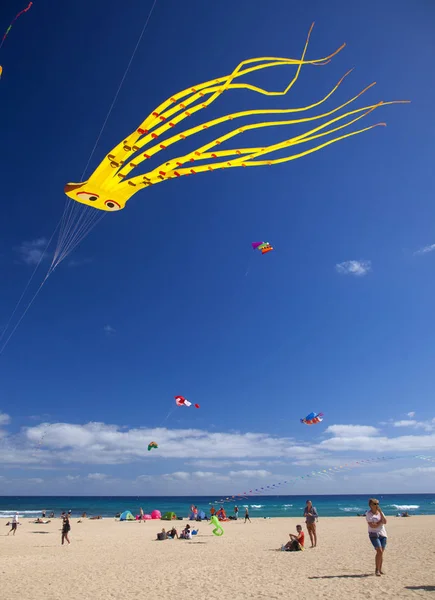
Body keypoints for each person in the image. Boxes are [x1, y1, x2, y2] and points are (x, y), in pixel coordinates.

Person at [366, 498, 387, 576]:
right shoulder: (369, 514)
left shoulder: (380, 513)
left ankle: (380, 569)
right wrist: (379, 522)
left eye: (378, 504)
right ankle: (377, 570)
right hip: (373, 534)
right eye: (375, 504)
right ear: (371, 505)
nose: (377, 505)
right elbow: (372, 525)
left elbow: (385, 521)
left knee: (381, 553)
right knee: (379, 551)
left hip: (383, 534)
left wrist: (380, 512)